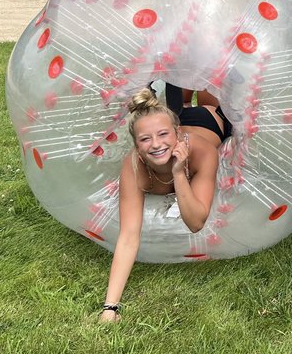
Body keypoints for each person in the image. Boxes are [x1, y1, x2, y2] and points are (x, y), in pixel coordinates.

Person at [99, 86, 233, 322]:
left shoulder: (202, 153)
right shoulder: (134, 167)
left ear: (177, 135)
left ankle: (191, 80)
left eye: (163, 135)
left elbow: (196, 222)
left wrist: (179, 173)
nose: (155, 145)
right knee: (181, 105)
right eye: (145, 139)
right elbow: (128, 236)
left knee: (208, 100)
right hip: (176, 122)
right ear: (136, 146)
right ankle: (180, 96)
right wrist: (110, 308)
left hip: (209, 123)